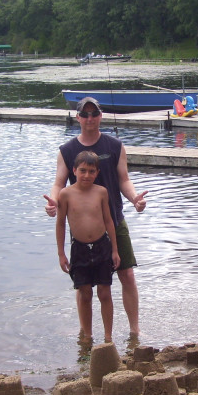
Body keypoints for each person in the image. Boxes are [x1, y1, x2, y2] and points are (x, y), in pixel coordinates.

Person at [44, 97, 147, 338]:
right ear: (78, 117)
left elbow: (124, 179)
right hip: (83, 229)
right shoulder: (66, 151)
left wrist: (135, 199)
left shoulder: (114, 146)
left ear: (101, 116)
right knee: (84, 285)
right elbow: (59, 183)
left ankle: (134, 331)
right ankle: (85, 334)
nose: (90, 118)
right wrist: (53, 203)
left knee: (127, 274)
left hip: (114, 220)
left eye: (94, 113)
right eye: (85, 114)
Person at [56, 150, 120, 343]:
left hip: (102, 246)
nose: (86, 175)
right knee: (85, 293)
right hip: (79, 249)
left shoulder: (101, 192)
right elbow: (60, 224)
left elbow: (109, 221)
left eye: (91, 171)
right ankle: (88, 335)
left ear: (97, 173)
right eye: (82, 170)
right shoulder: (65, 194)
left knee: (105, 292)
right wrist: (61, 253)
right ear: (74, 170)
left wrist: (115, 250)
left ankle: (108, 337)